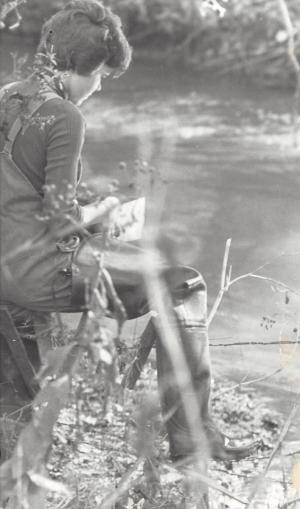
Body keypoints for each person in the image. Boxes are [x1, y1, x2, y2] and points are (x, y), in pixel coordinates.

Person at [0, 0, 257, 465]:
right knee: (184, 284)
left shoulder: (8, 95)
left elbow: (27, 194)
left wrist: (87, 207)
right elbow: (60, 222)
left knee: (148, 261)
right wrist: (107, 208)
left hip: (7, 261)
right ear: (84, 66)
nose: (99, 87)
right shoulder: (65, 115)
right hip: (40, 271)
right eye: (101, 76)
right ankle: (191, 441)